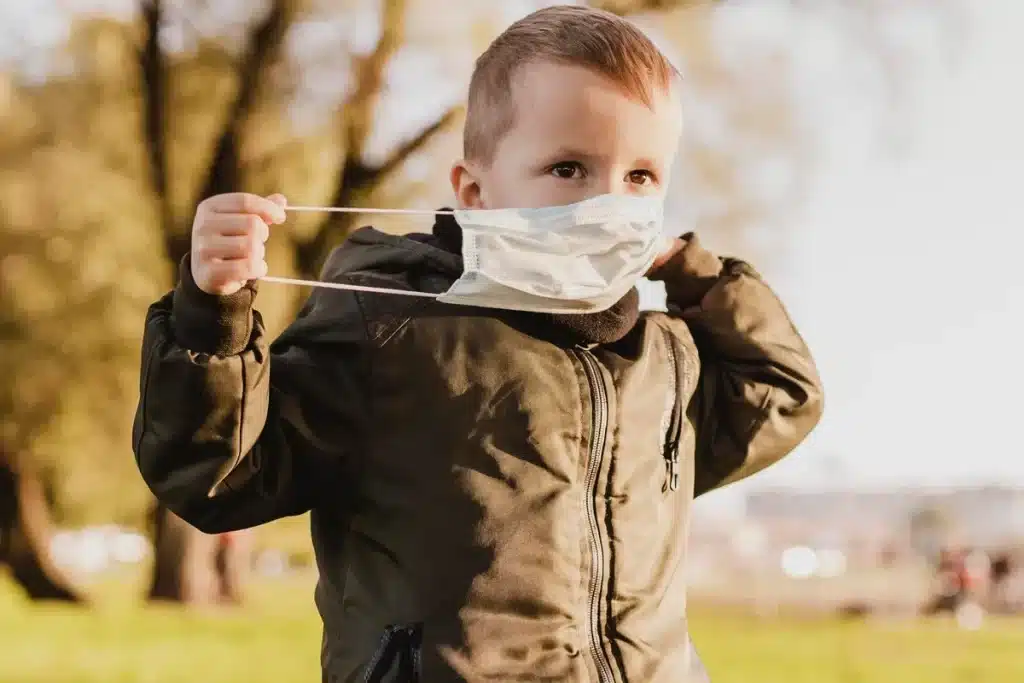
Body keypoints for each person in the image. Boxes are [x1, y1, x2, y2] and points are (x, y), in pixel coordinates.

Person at [132, 6, 823, 682]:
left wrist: (692, 272)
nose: (608, 203)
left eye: (640, 176)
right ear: (475, 190)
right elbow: (219, 473)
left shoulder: (661, 358)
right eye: (568, 169)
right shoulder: (390, 332)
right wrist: (211, 319)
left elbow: (783, 394)